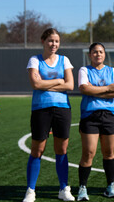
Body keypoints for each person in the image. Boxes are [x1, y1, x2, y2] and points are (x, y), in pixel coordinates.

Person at [23, 28, 75, 202]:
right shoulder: (34, 60)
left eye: (57, 41)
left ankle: (63, 189)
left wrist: (46, 84)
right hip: (40, 109)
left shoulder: (64, 60)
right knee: (37, 149)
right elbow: (35, 84)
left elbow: (70, 86)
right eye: (51, 41)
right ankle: (30, 190)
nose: (54, 44)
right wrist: (59, 81)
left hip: (62, 109)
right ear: (43, 41)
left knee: (61, 149)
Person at [76, 42, 114, 201]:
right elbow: (84, 89)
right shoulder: (84, 70)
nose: (98, 54)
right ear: (90, 55)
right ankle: (82, 188)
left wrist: (95, 91)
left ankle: (111, 186)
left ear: (104, 54)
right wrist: (108, 88)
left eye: (101, 52)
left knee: (109, 153)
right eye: (95, 52)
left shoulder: (112, 71)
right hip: (90, 116)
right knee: (88, 153)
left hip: (110, 116)